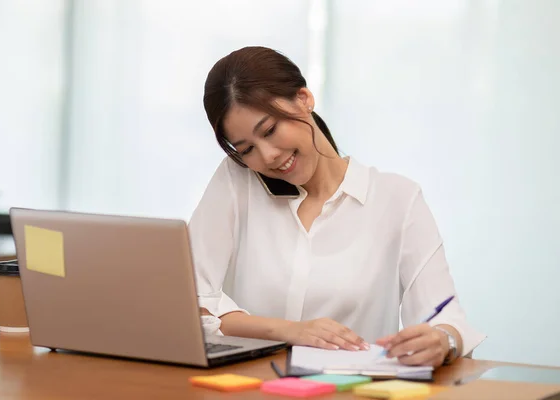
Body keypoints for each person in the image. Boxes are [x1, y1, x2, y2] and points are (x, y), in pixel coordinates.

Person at [189, 46, 485, 367]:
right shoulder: (237, 180)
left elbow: (447, 319)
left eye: (271, 130)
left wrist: (443, 340)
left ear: (303, 99)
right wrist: (290, 331)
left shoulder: (397, 199)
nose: (268, 156)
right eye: (247, 149)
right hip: (250, 389)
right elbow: (191, 301)